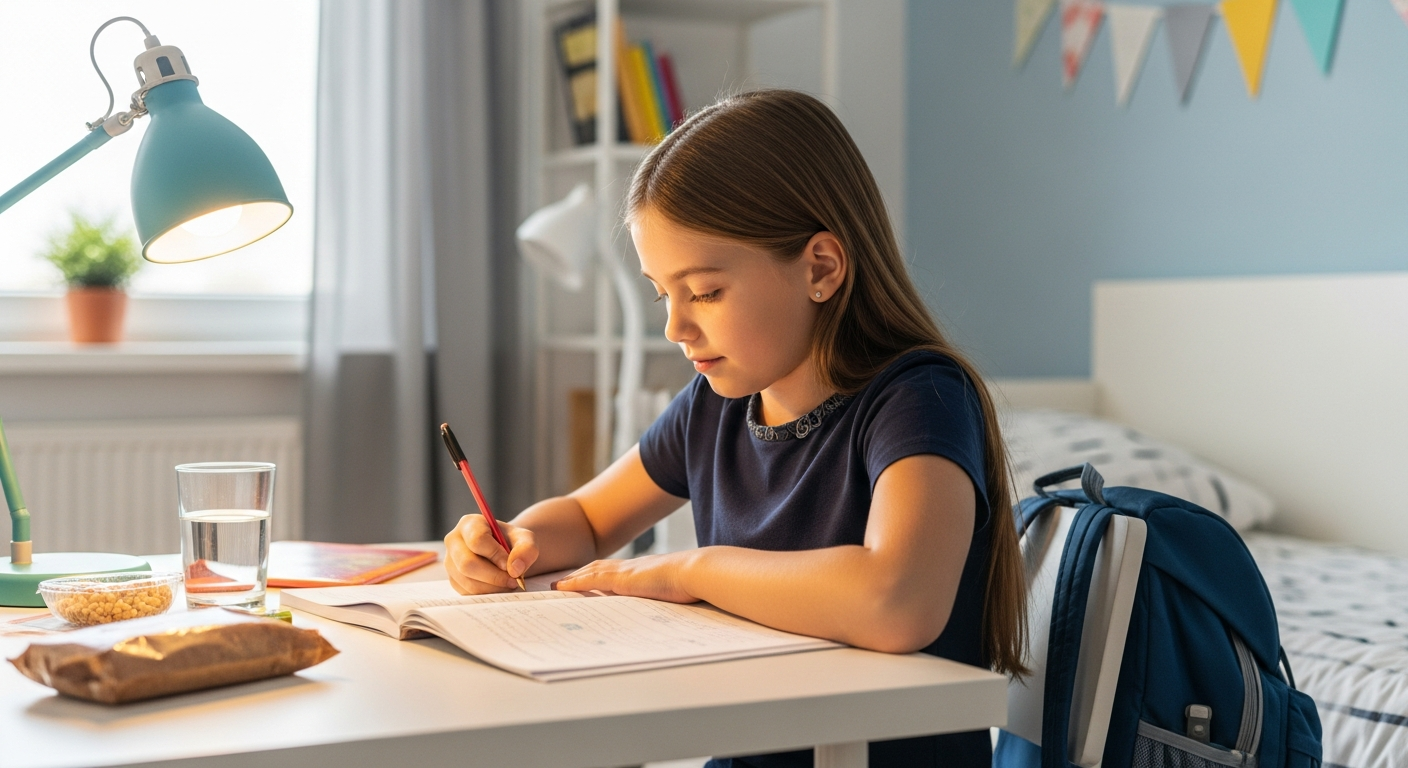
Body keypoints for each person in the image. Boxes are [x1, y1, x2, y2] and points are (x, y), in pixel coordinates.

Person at [444, 89, 1027, 767]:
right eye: (664, 294)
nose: (675, 327)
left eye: (706, 292)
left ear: (820, 268)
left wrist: (693, 569)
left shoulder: (919, 398)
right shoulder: (714, 403)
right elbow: (589, 518)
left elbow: (897, 599)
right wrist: (515, 541)